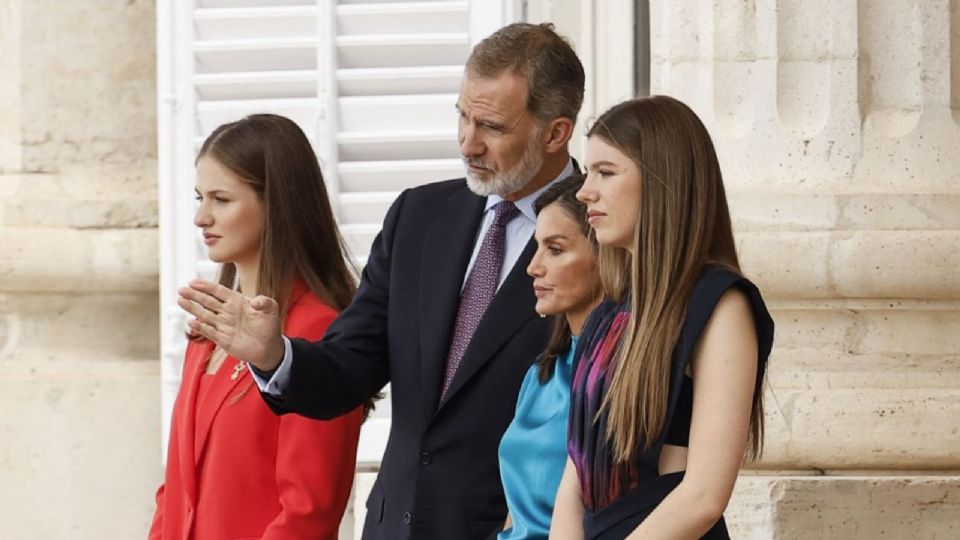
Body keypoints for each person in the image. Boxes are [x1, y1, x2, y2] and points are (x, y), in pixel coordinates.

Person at [177, 23, 586, 540]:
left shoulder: (602, 234)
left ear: (555, 132)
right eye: (462, 116)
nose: (468, 142)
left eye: (493, 127)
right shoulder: (419, 216)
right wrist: (276, 356)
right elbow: (352, 367)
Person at [550, 96, 775, 540]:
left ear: (662, 181)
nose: (583, 190)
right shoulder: (608, 313)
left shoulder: (721, 305)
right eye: (588, 171)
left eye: (606, 172)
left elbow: (705, 496)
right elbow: (576, 474)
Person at [150, 114, 366, 540]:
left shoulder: (317, 332)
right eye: (199, 197)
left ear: (277, 204)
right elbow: (174, 491)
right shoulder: (209, 330)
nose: (200, 217)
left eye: (221, 199)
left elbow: (308, 510)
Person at [497, 172, 602, 540]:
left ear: (606, 253)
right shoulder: (541, 373)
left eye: (555, 249)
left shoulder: (624, 372)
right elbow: (515, 513)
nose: (533, 266)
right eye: (536, 247)